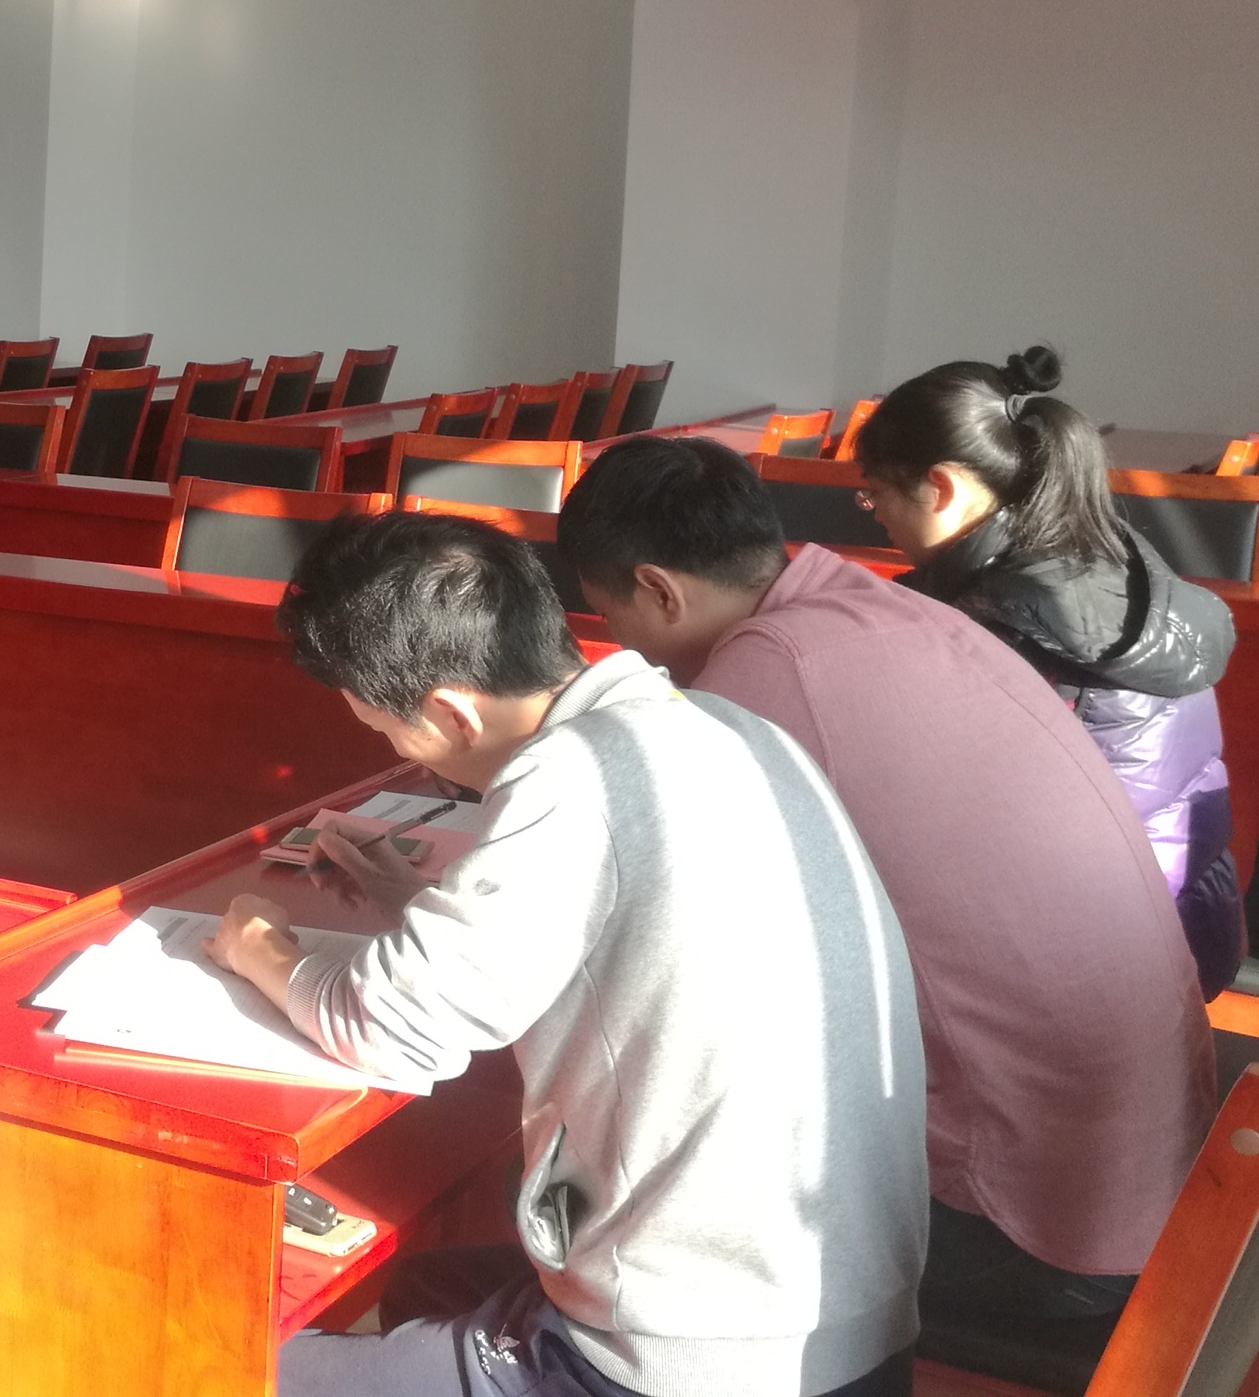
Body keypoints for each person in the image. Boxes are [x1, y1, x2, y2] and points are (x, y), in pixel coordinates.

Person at [212, 512, 923, 1397]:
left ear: (450, 712)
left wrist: (260, 948)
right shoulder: (719, 723)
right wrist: (415, 902)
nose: (395, 751)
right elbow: (617, 930)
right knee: (425, 1286)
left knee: (226, 1367)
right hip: (845, 1309)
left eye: (386, 729)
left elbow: (389, 1029)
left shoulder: (571, 775)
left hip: (698, 1355)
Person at [563, 435, 1211, 1339]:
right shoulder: (876, 604)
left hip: (1039, 1229)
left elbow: (661, 942)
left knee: (602, 1223)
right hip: (1166, 1171)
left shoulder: (762, 677)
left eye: (612, 617)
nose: (625, 648)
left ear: (660, 589)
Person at [857, 346, 1241, 997]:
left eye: (874, 495)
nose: (875, 515)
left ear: (942, 489)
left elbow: (946, 827)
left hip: (1097, 968)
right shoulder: (1106, 564)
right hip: (1183, 921)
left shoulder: (1005, 625)